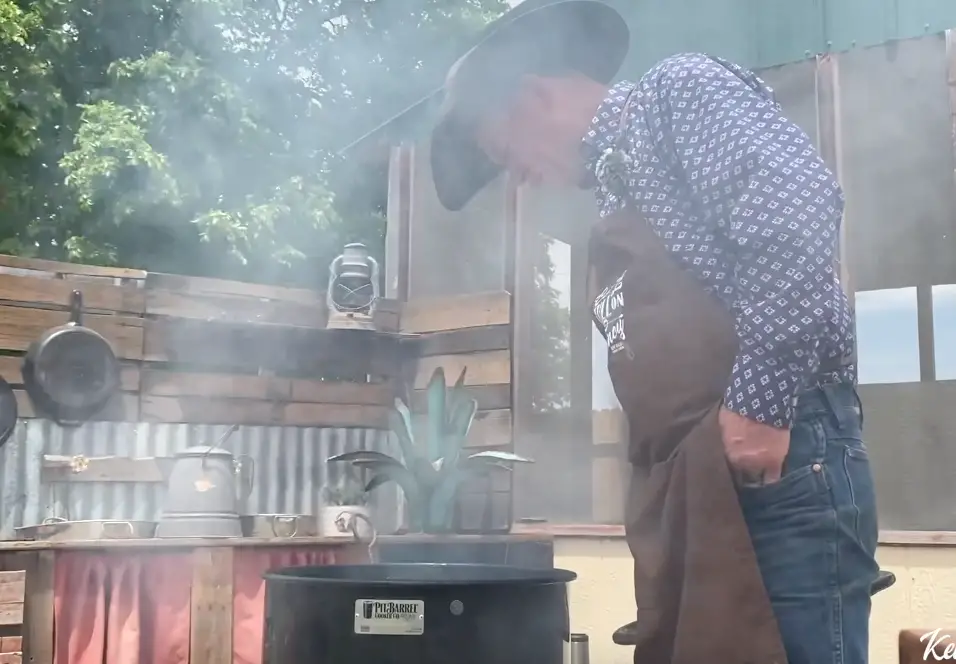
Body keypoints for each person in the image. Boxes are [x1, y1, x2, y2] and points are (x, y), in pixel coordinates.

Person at [421, 2, 880, 664]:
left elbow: (795, 211)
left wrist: (760, 401)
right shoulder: (616, 193)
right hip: (700, 493)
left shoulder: (678, 92)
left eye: (502, 151)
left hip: (782, 468)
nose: (517, 175)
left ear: (534, 97)